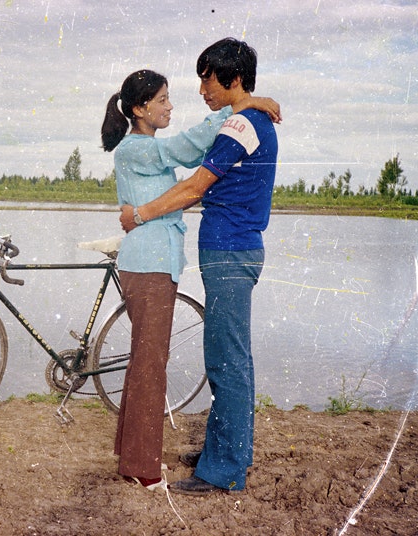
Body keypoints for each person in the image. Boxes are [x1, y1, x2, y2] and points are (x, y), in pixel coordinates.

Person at [102, 68, 280, 491]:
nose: (172, 105)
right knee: (150, 366)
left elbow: (185, 173)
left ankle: (133, 458)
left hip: (155, 263)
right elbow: (188, 149)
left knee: (148, 364)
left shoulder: (143, 148)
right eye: (162, 100)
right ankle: (143, 469)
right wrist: (245, 104)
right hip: (149, 264)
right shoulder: (136, 149)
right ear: (140, 109)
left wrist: (244, 105)